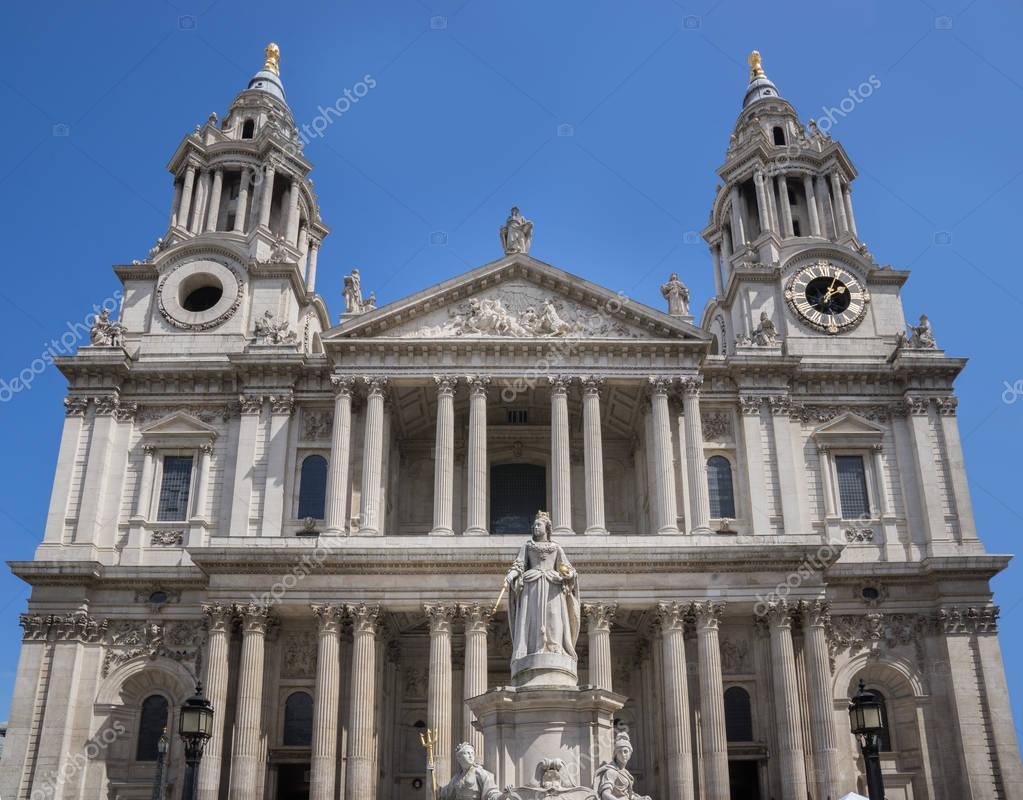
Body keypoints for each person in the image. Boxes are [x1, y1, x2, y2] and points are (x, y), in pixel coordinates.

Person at [504, 511, 580, 667]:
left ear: (547, 528)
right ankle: (531, 648)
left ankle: (555, 647)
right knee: (531, 617)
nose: (535, 527)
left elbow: (567, 568)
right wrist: (510, 576)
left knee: (553, 616)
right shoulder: (527, 546)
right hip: (532, 584)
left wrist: (568, 574)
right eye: (534, 525)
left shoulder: (556, 547)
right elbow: (519, 565)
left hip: (553, 584)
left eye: (539, 524)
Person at [593, 731, 651, 800]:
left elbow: (629, 795)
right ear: (615, 755)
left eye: (625, 751)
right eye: (620, 752)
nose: (623, 754)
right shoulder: (611, 772)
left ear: (630, 754)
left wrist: (641, 798)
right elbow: (605, 794)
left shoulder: (626, 773)